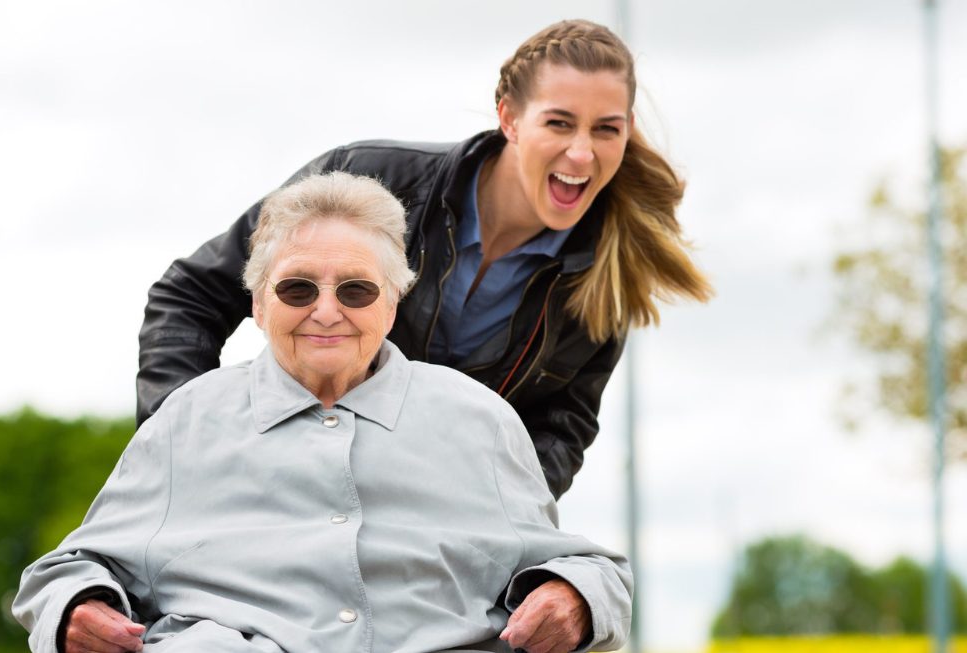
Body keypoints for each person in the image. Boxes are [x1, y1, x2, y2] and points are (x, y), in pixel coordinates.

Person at [14, 172, 633, 653]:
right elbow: (68, 570)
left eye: (357, 290)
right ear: (258, 304)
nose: (327, 311)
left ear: (393, 304)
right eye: (297, 288)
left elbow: (586, 568)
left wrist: (574, 598)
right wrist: (77, 607)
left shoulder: (479, 419)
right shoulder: (187, 420)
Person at [137, 19, 713, 500]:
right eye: (558, 123)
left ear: (627, 131)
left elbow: (560, 430)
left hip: (424, 531)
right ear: (509, 118)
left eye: (605, 129)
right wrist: (184, 452)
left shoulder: (607, 277)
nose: (581, 152)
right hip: (286, 486)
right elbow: (189, 297)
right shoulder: (368, 177)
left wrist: (497, 528)